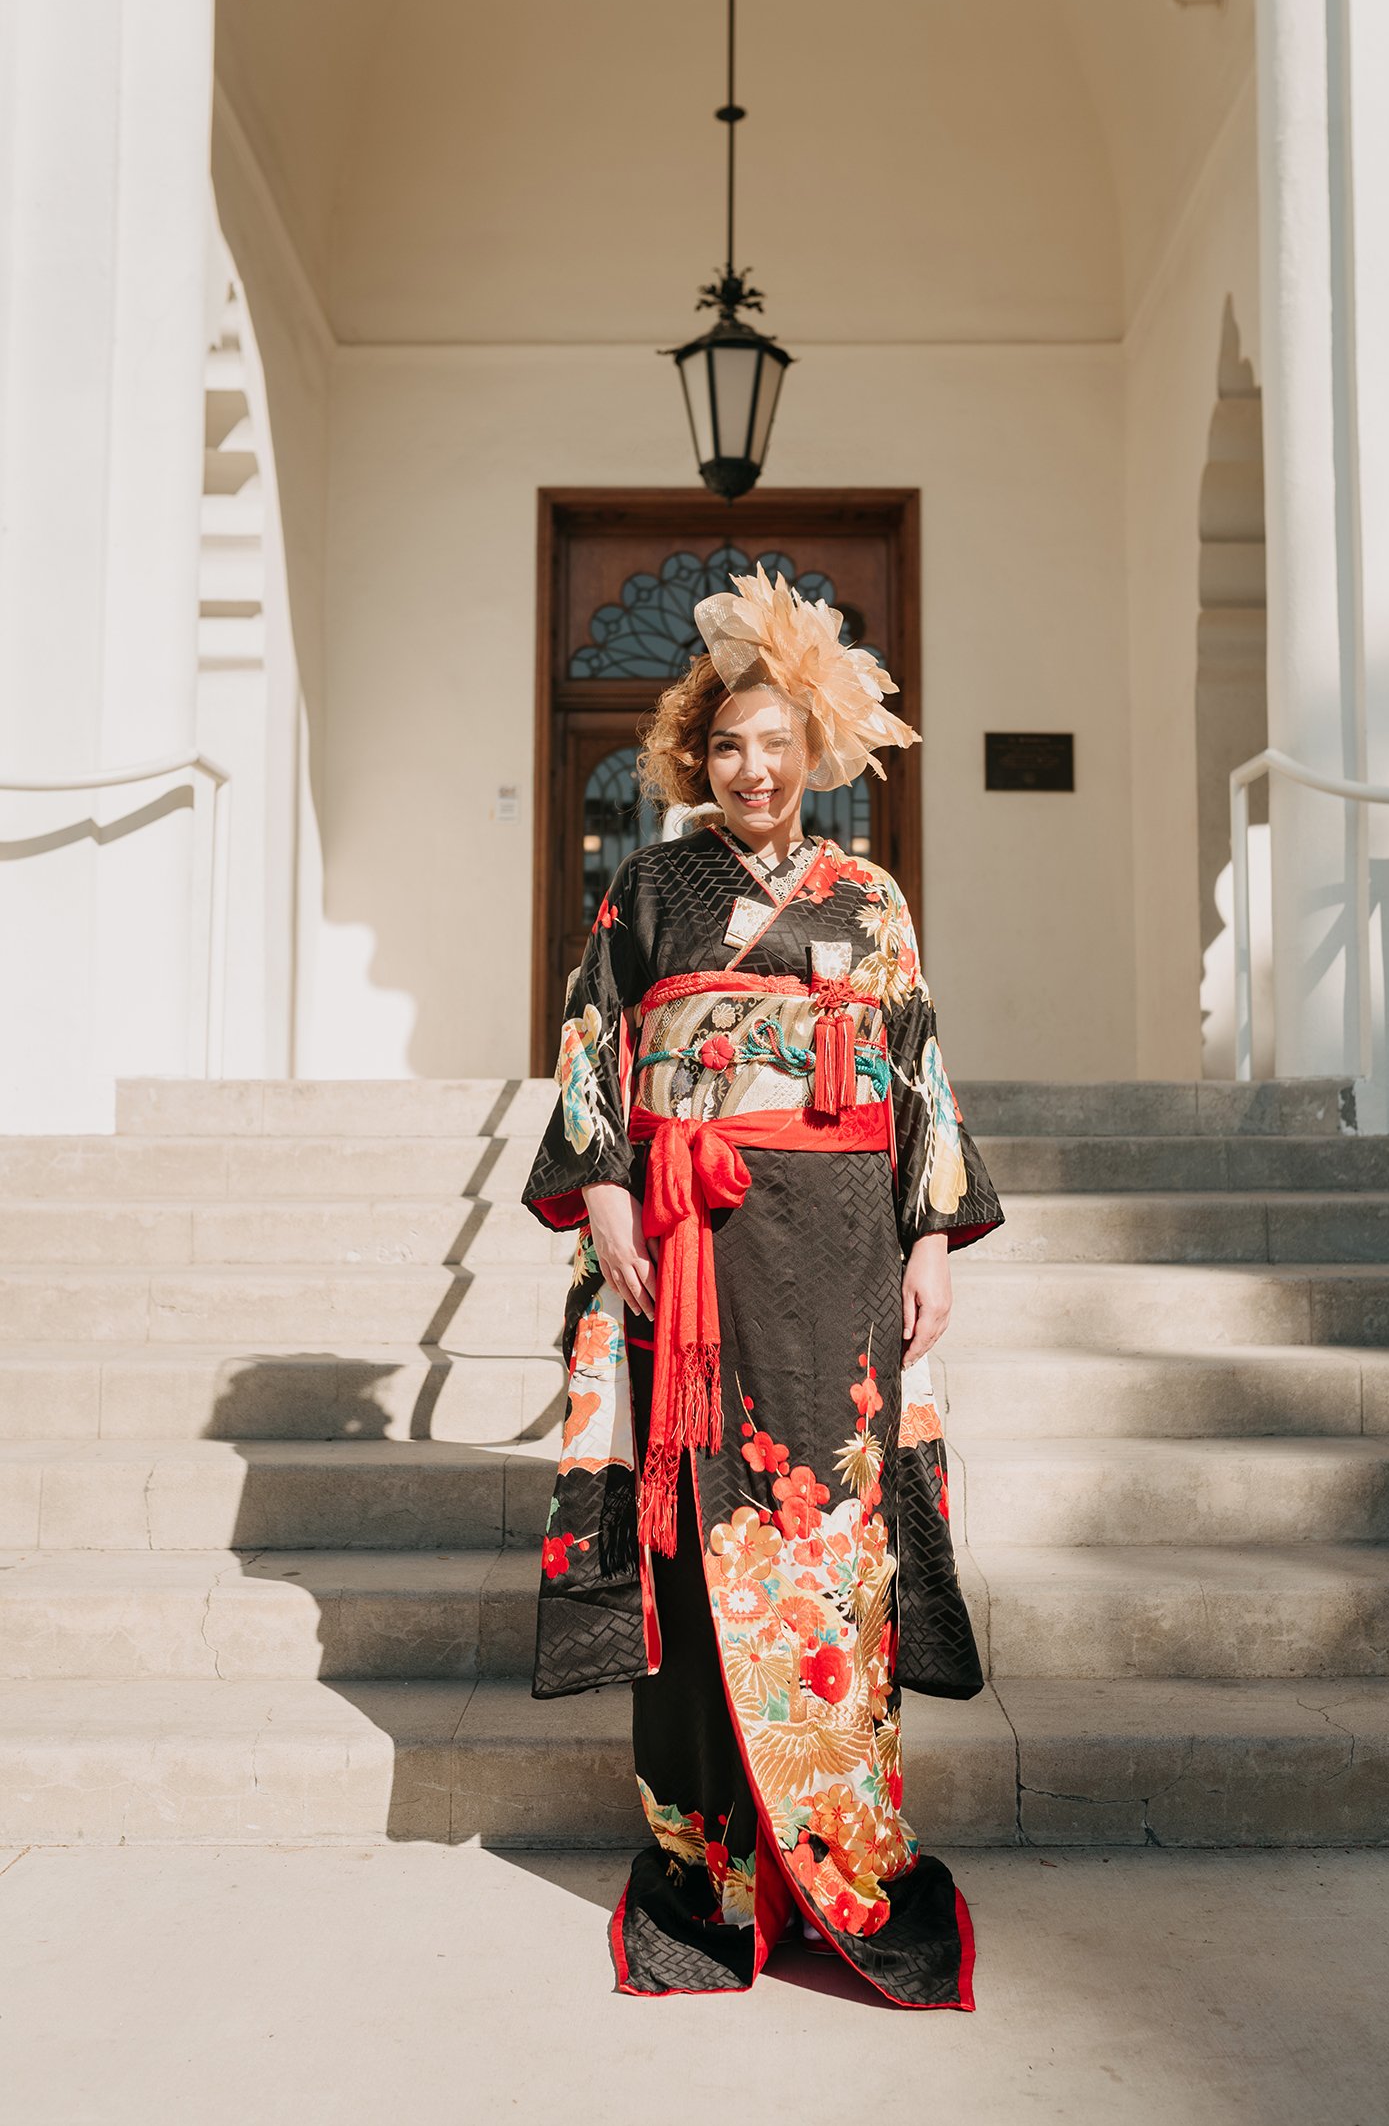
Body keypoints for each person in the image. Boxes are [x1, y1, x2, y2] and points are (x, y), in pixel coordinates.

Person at [523, 564, 1002, 2007]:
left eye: (777, 742)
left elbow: (915, 1063)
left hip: (840, 1249)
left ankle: (842, 1851)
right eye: (727, 743)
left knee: (827, 1552)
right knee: (691, 1538)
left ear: (819, 755)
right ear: (694, 753)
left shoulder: (869, 896)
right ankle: (711, 1862)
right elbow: (593, 1040)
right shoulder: (649, 886)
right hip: (688, 1257)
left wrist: (931, 1237)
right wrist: (605, 1191)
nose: (753, 766)